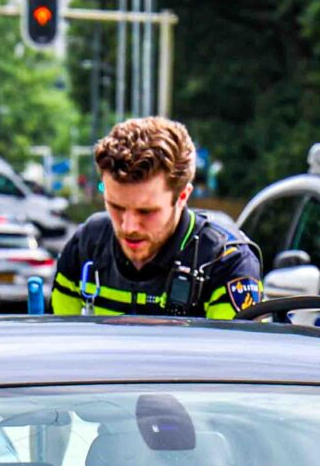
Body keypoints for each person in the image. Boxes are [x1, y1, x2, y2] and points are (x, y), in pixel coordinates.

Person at [50, 117, 263, 319]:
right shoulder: (86, 245)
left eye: (146, 211)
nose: (128, 226)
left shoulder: (226, 262)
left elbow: (232, 356)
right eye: (116, 207)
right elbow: (59, 347)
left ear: (182, 196)